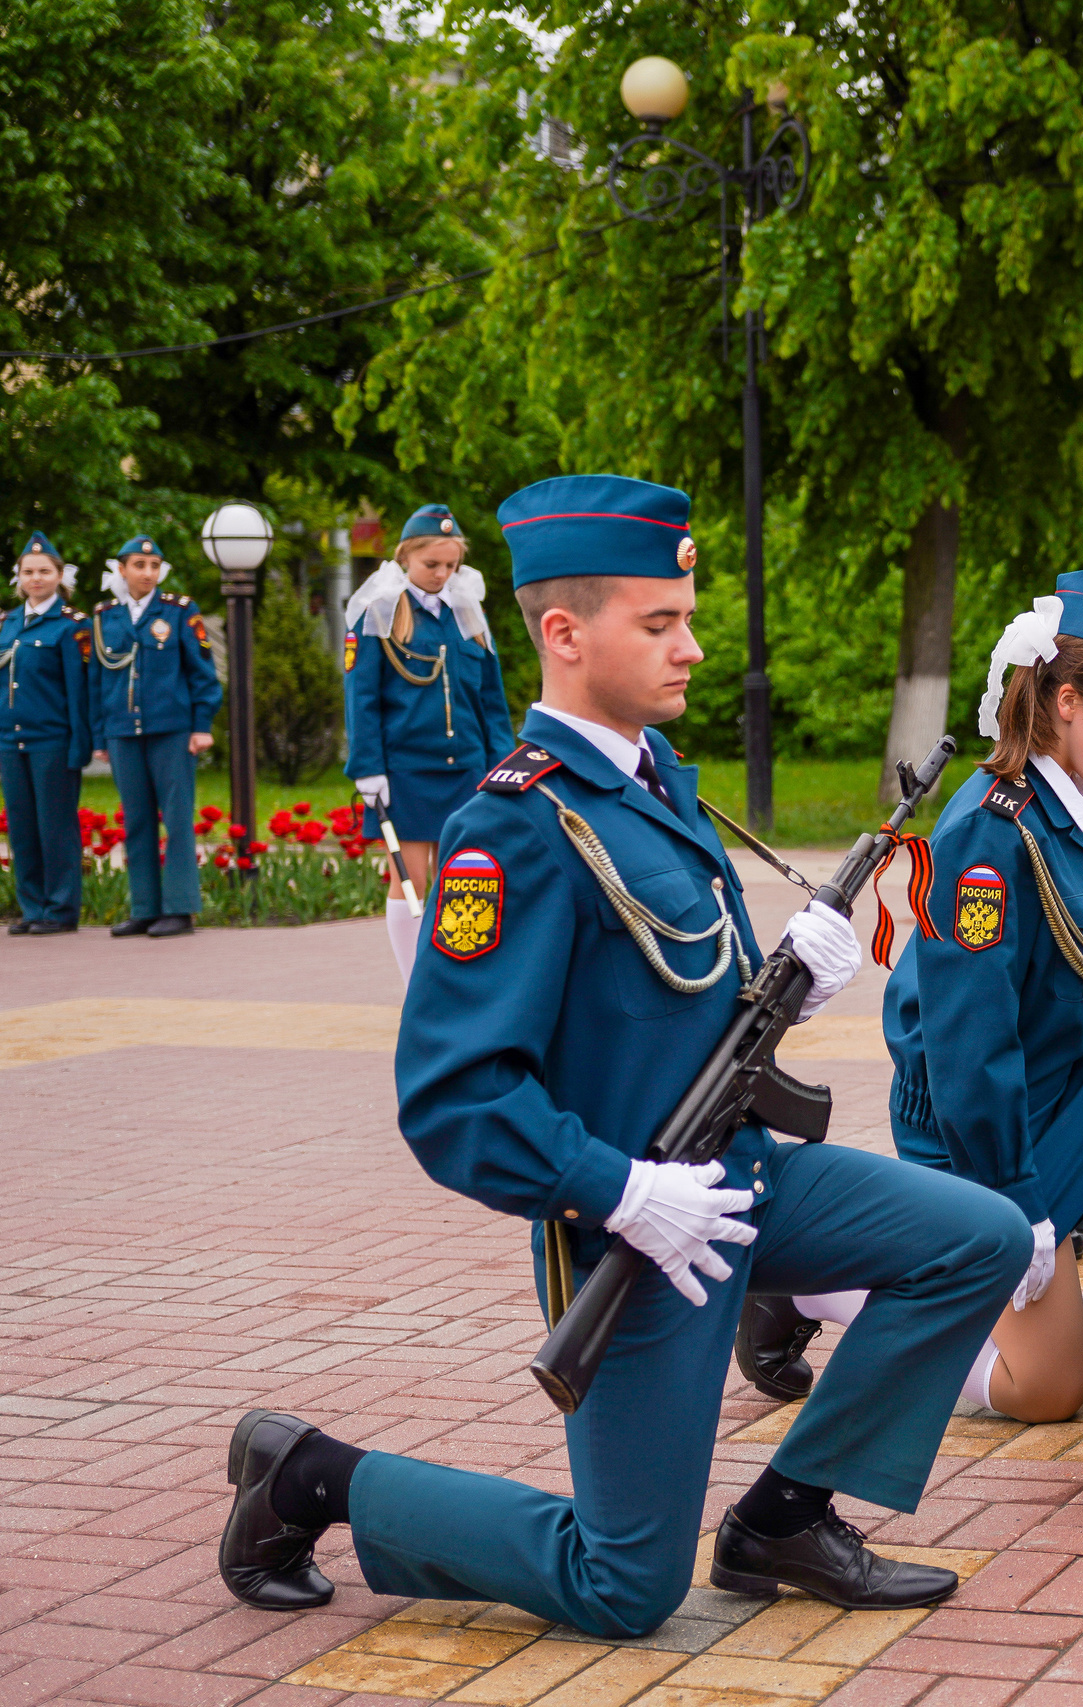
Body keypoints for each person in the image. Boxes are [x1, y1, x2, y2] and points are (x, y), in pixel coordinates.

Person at [216, 474, 1029, 1636]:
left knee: (976, 1240)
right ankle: (309, 1475)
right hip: (640, 1234)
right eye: (660, 624)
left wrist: (792, 986)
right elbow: (453, 1098)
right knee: (625, 1586)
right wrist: (624, 1194)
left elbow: (677, 1005)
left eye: (685, 619)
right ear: (564, 634)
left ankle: (785, 1516)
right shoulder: (516, 825)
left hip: (745, 1180)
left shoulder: (656, 785)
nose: (690, 647)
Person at [749, 572, 1083, 1426]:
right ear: (1066, 700)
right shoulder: (990, 833)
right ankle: (809, 1290)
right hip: (988, 1122)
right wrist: (1019, 1205)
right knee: (1045, 1392)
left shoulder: (1081, 805)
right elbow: (970, 1049)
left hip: (1076, 1079)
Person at [344, 503, 516, 894]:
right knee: (411, 882)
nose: (442, 574)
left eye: (451, 566)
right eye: (431, 564)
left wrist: (501, 764)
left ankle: (447, 941)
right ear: (405, 556)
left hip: (467, 768)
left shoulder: (468, 612)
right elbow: (361, 698)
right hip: (408, 771)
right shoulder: (379, 612)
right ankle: (408, 941)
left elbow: (491, 700)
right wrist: (368, 767)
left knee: (463, 882)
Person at [89, 535, 222, 936]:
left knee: (177, 820)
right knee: (136, 820)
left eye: (154, 566)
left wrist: (201, 726)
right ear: (122, 569)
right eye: (139, 565)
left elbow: (202, 672)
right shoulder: (105, 616)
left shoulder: (179, 612)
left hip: (171, 730)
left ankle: (179, 909)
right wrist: (99, 736)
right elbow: (97, 681)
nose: (147, 573)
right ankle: (145, 908)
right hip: (122, 730)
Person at [3, 532, 91, 937]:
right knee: (21, 828)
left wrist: (80, 745)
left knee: (56, 828)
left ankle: (60, 909)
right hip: (10, 741)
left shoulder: (71, 626)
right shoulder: (7, 624)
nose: (35, 579)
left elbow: (78, 691)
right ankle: (32, 907)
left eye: (44, 572)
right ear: (18, 577)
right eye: (28, 572)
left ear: (59, 576)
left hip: (52, 741)